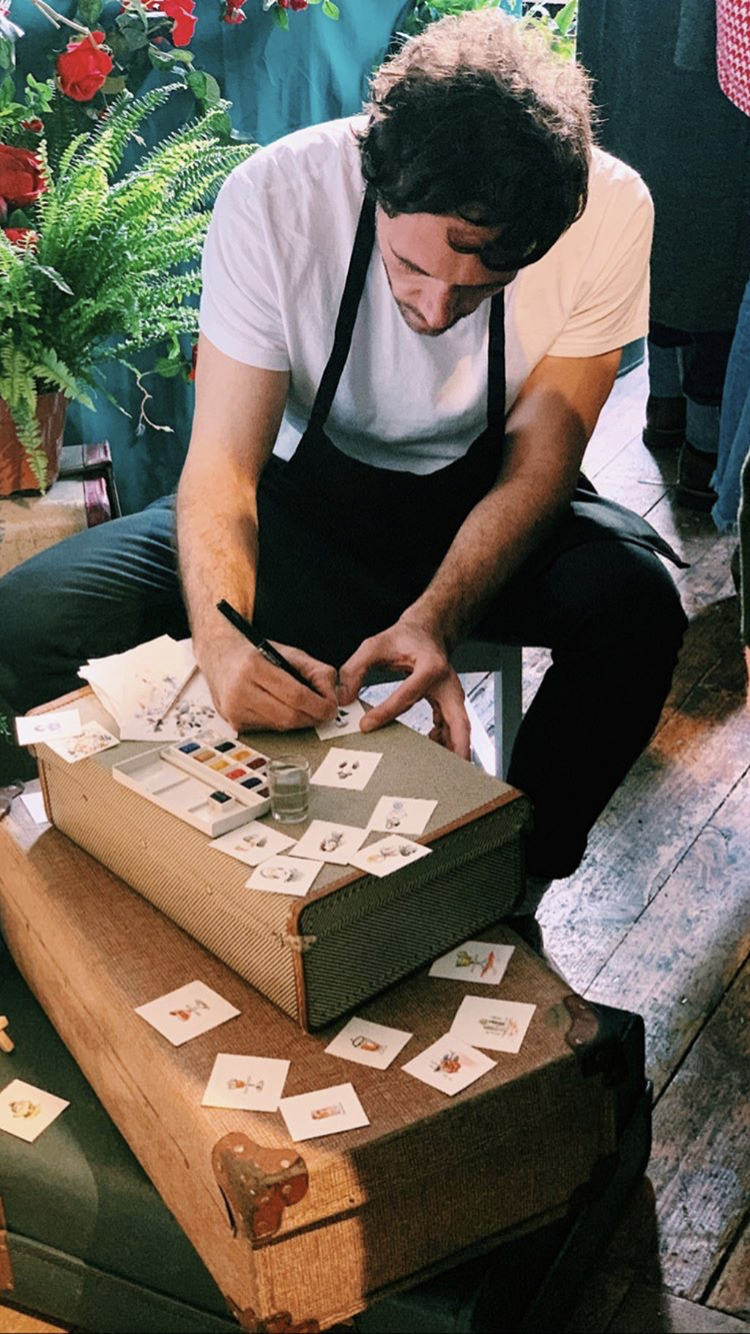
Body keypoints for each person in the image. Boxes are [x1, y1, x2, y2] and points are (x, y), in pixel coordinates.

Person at [0, 11, 687, 921]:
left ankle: (506, 888)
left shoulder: (614, 206)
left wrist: (438, 617)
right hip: (298, 511)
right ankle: (93, 894)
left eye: (481, 286)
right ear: (374, 179)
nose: (438, 312)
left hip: (484, 508)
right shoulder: (275, 197)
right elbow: (223, 468)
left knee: (637, 608)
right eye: (411, 268)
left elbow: (541, 464)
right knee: (23, 622)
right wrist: (221, 640)